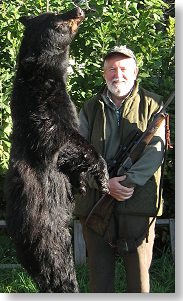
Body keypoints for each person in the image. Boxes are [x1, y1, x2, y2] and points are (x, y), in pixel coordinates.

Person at [74, 45, 165, 293]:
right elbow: (76, 154)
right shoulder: (90, 108)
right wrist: (104, 183)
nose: (118, 75)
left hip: (137, 205)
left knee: (139, 282)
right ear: (104, 74)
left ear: (135, 72)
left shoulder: (153, 104)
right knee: (99, 282)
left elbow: (155, 153)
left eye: (124, 68)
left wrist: (127, 182)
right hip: (96, 204)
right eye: (112, 69)